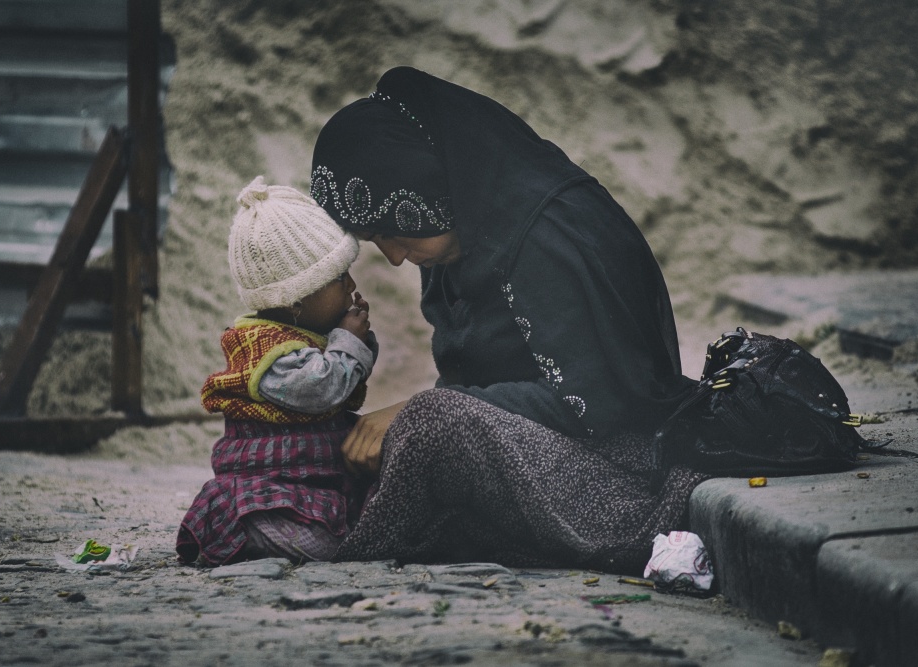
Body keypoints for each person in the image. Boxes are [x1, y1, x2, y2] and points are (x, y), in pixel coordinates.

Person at [309, 67, 707, 572]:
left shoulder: (550, 236)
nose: (393, 257)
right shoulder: (458, 245)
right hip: (535, 461)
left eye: (396, 232)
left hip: (619, 476)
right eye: (376, 240)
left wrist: (423, 410)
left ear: (432, 191)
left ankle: (355, 545)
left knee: (431, 423)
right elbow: (477, 388)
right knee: (351, 436)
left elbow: (596, 403)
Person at [176, 176, 377, 566]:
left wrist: (355, 341)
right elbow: (323, 388)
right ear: (296, 299)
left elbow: (342, 373)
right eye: (339, 278)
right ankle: (246, 528)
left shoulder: (301, 334)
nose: (351, 284)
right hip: (274, 488)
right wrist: (349, 343)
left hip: (311, 480)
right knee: (332, 548)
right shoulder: (268, 354)